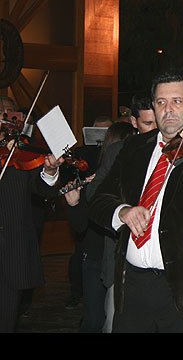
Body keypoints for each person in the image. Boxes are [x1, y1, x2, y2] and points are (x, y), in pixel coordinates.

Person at [88, 70, 183, 333]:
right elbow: (98, 200)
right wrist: (122, 212)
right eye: (161, 103)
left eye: (177, 101)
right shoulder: (132, 148)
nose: (168, 110)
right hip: (134, 290)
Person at [85, 94, 156, 333]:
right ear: (134, 123)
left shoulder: (176, 149)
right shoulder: (119, 150)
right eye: (148, 124)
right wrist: (123, 210)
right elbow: (95, 194)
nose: (155, 130)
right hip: (122, 257)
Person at [63, 121, 137, 332]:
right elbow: (80, 227)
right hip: (96, 257)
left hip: (119, 259)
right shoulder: (96, 179)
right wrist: (75, 203)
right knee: (95, 318)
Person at [0, 96, 65, 332]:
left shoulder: (21, 152)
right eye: (1, 114)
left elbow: (43, 190)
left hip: (9, 255)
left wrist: (49, 170)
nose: (5, 120)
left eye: (9, 115)